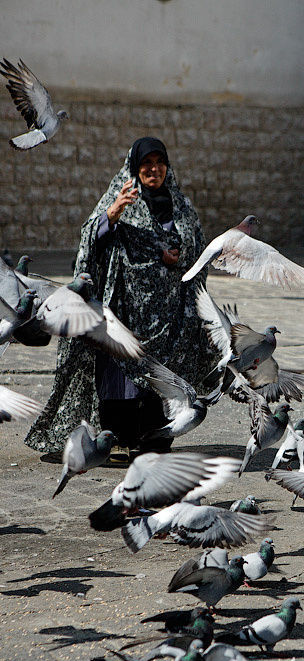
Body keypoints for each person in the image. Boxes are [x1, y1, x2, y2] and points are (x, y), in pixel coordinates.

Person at [25, 137, 213, 458]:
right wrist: (111, 215)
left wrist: (177, 257)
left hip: (167, 316)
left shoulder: (180, 205)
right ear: (135, 167)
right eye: (147, 164)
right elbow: (90, 239)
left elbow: (196, 249)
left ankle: (153, 441)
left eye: (160, 163)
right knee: (123, 374)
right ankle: (123, 438)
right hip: (125, 305)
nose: (154, 170)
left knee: (161, 378)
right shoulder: (121, 197)